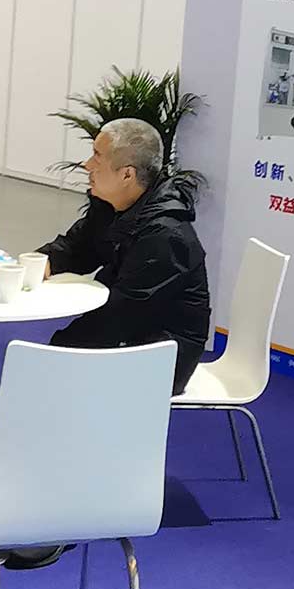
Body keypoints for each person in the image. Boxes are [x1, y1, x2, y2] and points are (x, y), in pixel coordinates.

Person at [38, 118, 210, 393]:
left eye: (97, 156)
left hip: (162, 354)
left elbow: (124, 314)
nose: (87, 165)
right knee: (59, 355)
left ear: (127, 175)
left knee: (58, 358)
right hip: (130, 331)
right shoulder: (112, 205)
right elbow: (79, 247)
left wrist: (63, 345)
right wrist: (40, 262)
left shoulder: (166, 235)